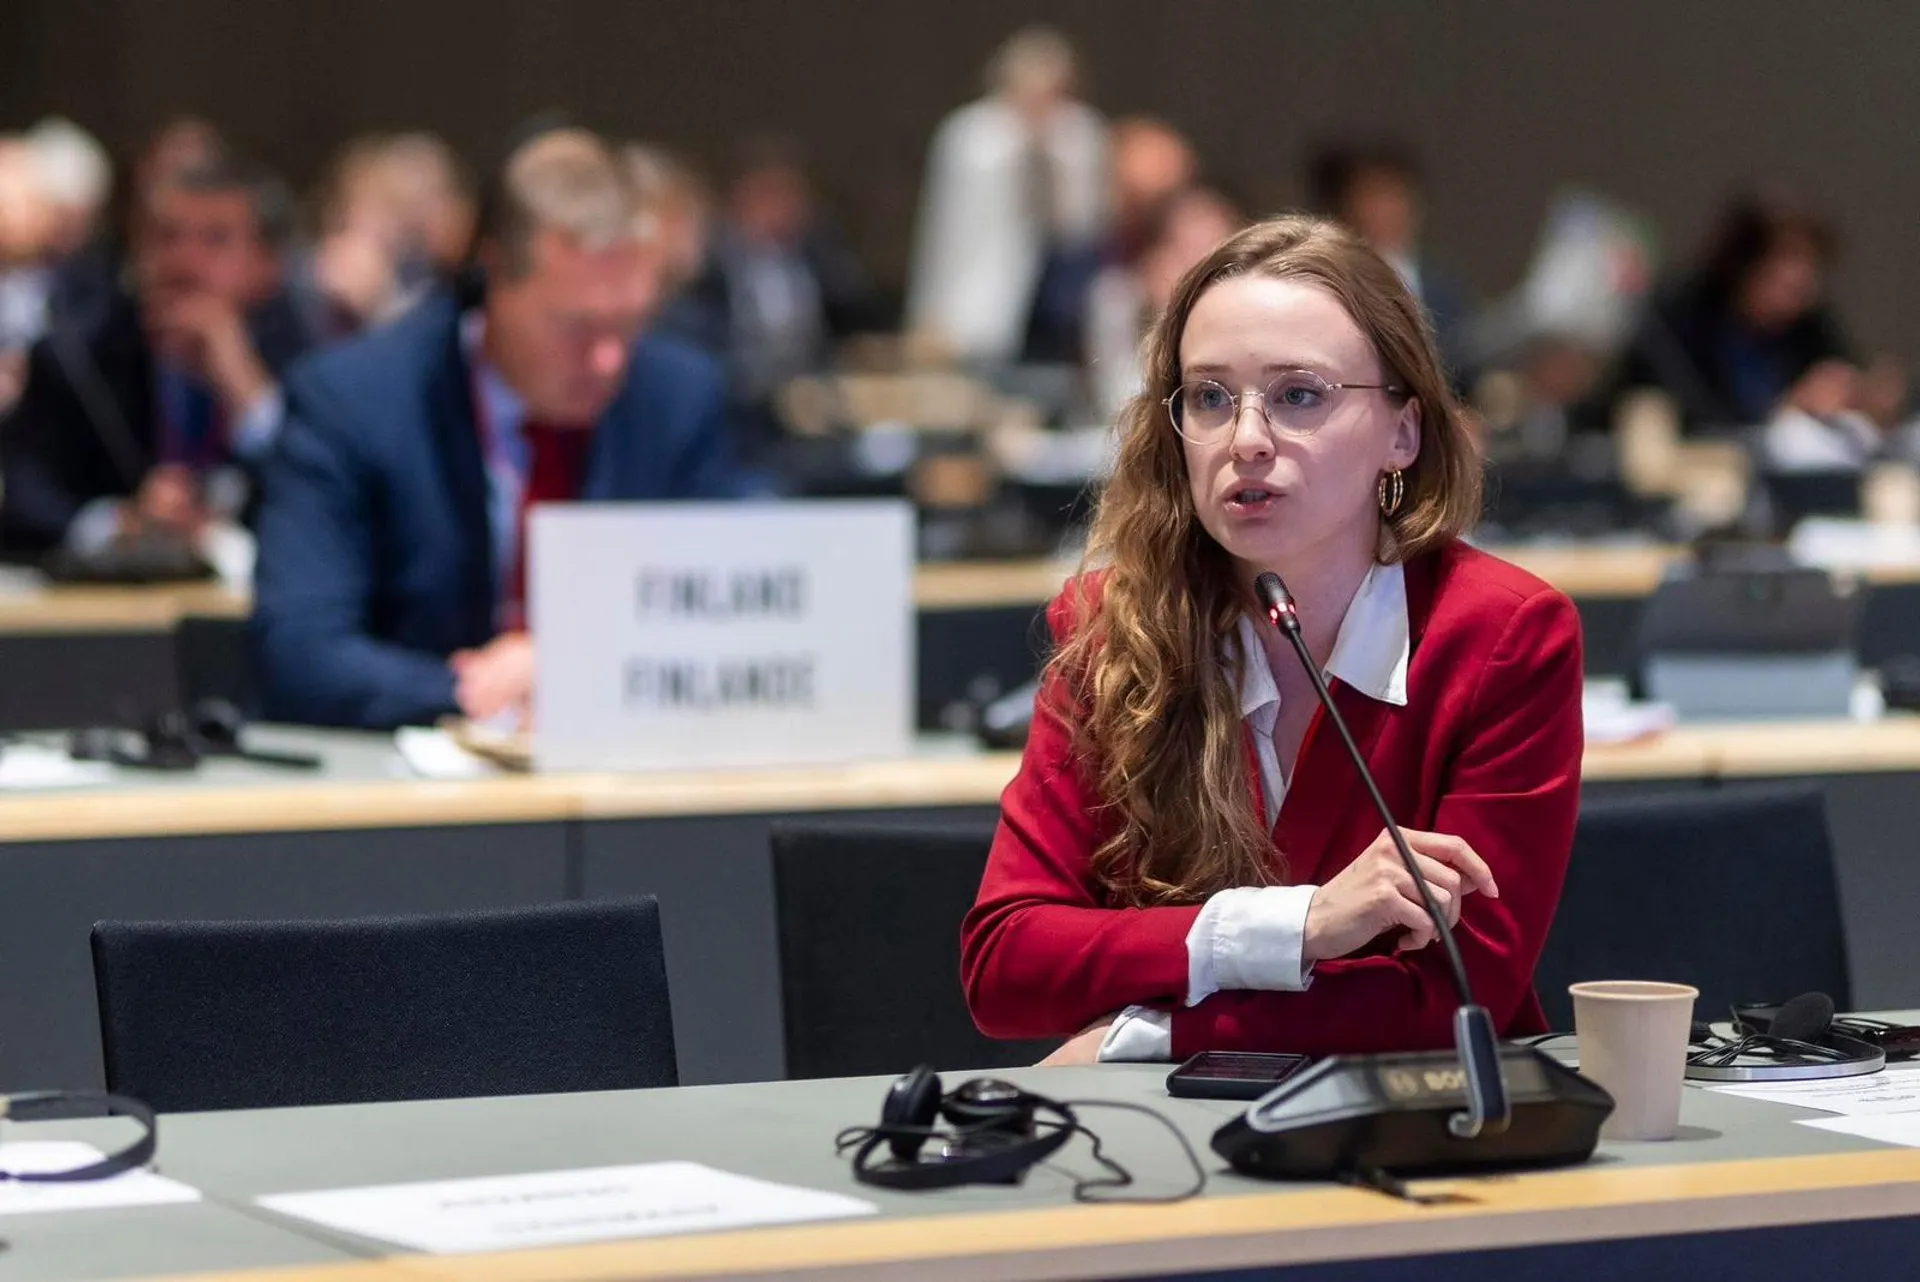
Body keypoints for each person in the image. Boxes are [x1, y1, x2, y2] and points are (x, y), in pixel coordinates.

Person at [961, 215, 1584, 1064]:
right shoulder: (1113, 627)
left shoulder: (1504, 636)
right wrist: (1299, 926)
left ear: (1402, 431)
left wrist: (1149, 1033)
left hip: (1419, 1121)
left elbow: (1450, 997)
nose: (1246, 440)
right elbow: (1006, 966)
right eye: (1210, 398)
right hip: (1164, 1135)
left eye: (1299, 395)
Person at [252, 127, 755, 730]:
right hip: (409, 763)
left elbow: (742, 623)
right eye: (576, 327)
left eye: (629, 323)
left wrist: (571, 669)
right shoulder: (356, 401)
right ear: (493, 278)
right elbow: (301, 656)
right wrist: (483, 690)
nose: (608, 361)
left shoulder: (676, 396)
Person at [0, 154, 315, 555]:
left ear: (267, 264)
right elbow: (24, 494)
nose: (184, 261)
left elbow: (323, 491)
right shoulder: (77, 352)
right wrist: (114, 522)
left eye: (216, 239)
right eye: (166, 236)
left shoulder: (309, 360)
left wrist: (246, 390)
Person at [1593, 185, 1905, 465]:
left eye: (1812, 270)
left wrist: (1864, 398)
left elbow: (1842, 384)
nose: (1803, 287)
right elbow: (1698, 429)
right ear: (1742, 264)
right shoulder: (1674, 322)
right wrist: (1784, 411)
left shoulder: (1810, 323)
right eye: (1787, 266)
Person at [905, 26, 1108, 365]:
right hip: (985, 296)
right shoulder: (971, 136)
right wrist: (929, 312)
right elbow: (945, 232)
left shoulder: (1081, 135)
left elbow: (1085, 222)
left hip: (1061, 290)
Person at [1310, 143, 1473, 384]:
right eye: (1372, 197)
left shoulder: (1445, 289)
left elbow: (1468, 366)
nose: (1384, 211)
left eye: (1394, 197)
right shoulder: (1327, 283)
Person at [1084, 185, 1242, 422]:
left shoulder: (1251, 315)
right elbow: (1122, 405)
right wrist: (1169, 320)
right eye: (1188, 252)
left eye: (1217, 256)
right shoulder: (1118, 300)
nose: (1202, 272)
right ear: (1153, 259)